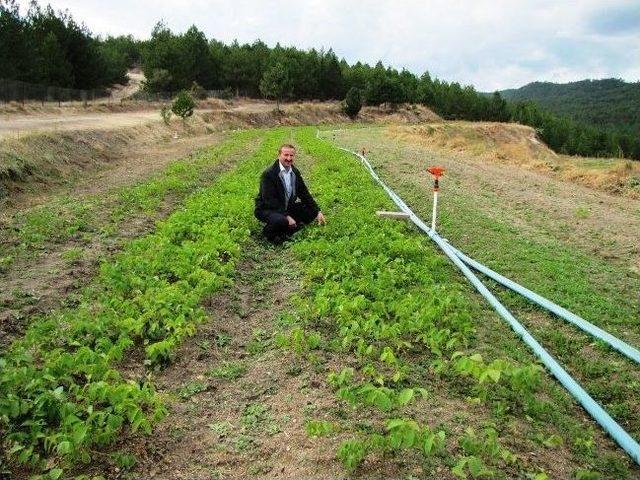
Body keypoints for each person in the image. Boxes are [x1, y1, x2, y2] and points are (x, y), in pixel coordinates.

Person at [254, 144, 326, 243]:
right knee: (281, 220)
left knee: (311, 211)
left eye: (291, 155)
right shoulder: (269, 174)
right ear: (279, 155)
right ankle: (269, 233)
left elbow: (304, 193)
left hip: (286, 207)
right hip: (267, 208)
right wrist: (287, 216)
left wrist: (318, 211)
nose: (289, 158)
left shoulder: (294, 172)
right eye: (286, 155)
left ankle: (285, 229)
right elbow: (269, 200)